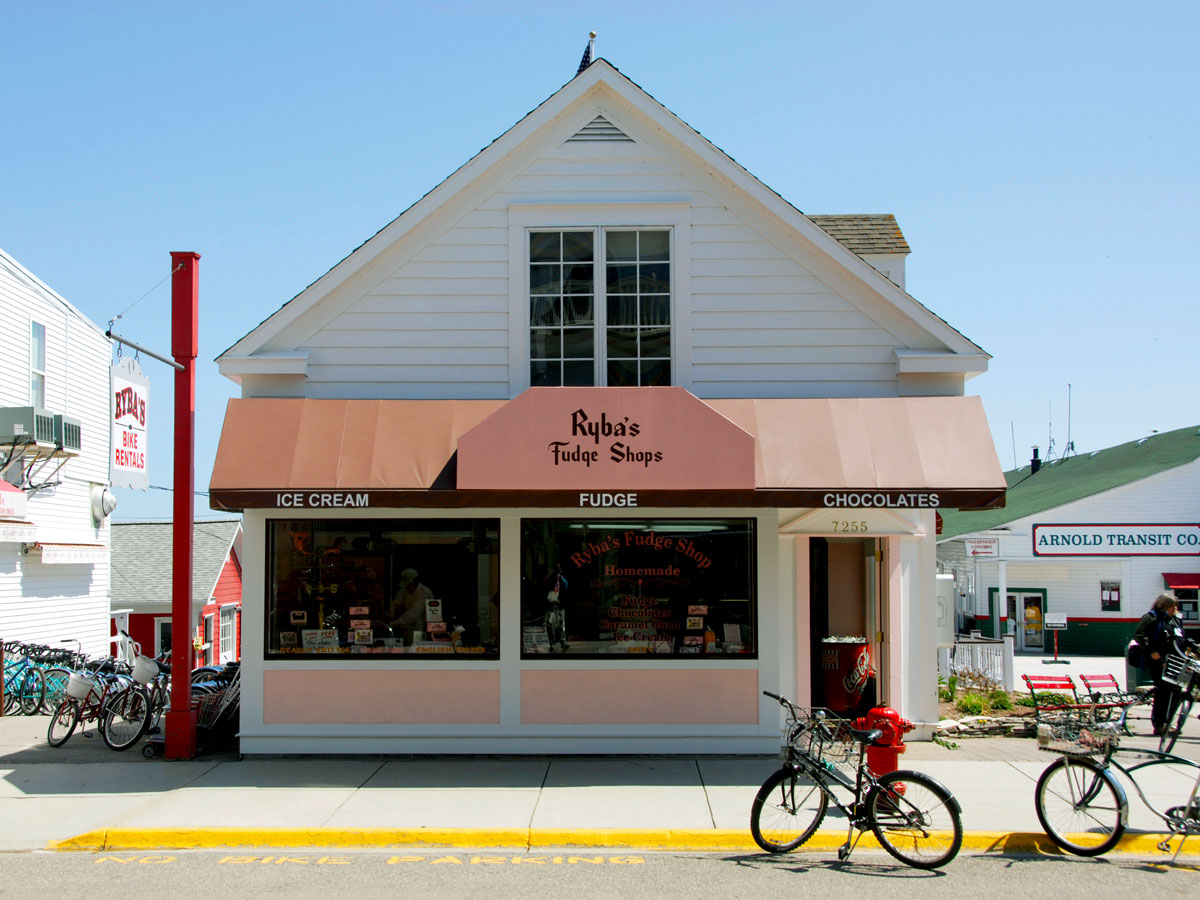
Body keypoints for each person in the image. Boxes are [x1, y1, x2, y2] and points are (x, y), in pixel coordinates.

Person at [1133, 591, 1199, 736]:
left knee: (1176, 692)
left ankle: (1169, 722)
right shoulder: (1151, 618)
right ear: (1165, 606)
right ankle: (1159, 724)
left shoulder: (1175, 620)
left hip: (1178, 662)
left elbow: (1184, 638)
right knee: (1163, 692)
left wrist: (1196, 647)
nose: (1175, 609)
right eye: (1173, 606)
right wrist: (1151, 651)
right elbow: (1139, 634)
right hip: (1160, 662)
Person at [390, 568, 434, 645]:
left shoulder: (425, 593)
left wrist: (394, 624)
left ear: (414, 583)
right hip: (406, 629)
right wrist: (389, 616)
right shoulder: (404, 591)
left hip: (421, 629)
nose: (406, 588)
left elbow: (413, 614)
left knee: (416, 650)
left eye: (408, 586)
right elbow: (395, 605)